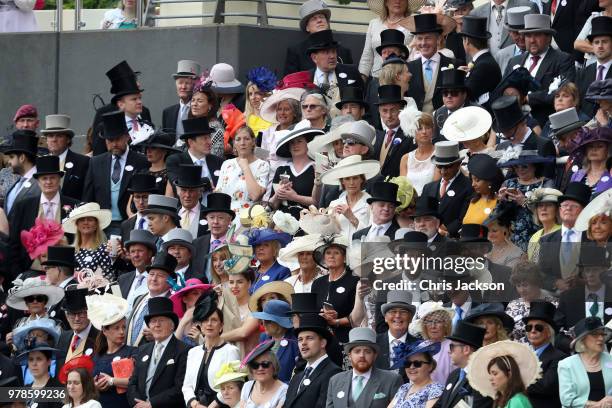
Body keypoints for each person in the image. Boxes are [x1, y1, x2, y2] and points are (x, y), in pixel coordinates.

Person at [9, 156, 80, 274]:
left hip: (64, 271)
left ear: (59, 180)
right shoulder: (23, 206)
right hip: (30, 270)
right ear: (38, 181)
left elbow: (81, 242)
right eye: (44, 178)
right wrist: (18, 273)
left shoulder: (74, 206)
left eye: (52, 178)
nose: (48, 182)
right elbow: (14, 242)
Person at [83, 110, 149, 234]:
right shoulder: (96, 162)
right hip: (101, 226)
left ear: (127, 137)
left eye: (117, 139)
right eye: (110, 140)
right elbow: (88, 197)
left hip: (130, 224)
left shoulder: (141, 161)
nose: (114, 144)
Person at [504, 14, 576, 127]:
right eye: (528, 35)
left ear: (548, 37)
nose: (532, 40)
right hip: (514, 125)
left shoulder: (562, 60)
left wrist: (527, 98)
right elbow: (503, 91)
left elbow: (563, 93)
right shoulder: (514, 61)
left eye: (537, 35)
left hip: (546, 125)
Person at [126, 297, 189, 407]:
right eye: (153, 321)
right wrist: (137, 404)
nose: (156, 325)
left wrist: (151, 404)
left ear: (172, 325)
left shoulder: (184, 350)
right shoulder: (143, 349)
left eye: (161, 320)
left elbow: (181, 387)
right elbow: (133, 383)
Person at [183, 293, 240, 408]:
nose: (209, 324)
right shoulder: (193, 352)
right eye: (205, 320)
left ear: (221, 326)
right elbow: (187, 386)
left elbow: (232, 384)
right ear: (201, 325)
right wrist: (194, 404)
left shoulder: (231, 351)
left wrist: (213, 406)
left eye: (214, 320)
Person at [325, 328, 402, 408]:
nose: (362, 355)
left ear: (375, 356)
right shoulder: (335, 381)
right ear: (349, 356)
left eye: (367, 351)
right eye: (357, 351)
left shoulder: (392, 380)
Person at [538, 182, 592, 293]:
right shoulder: (547, 240)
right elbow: (541, 274)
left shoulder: (593, 238)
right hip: (555, 297)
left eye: (574, 206)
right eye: (565, 205)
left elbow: (602, 273)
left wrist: (582, 282)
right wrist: (556, 282)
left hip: (586, 296)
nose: (568, 208)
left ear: (584, 211)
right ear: (559, 210)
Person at [284, 313, 341, 408]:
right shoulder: (297, 378)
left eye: (309, 338)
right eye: (300, 339)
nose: (303, 343)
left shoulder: (333, 373)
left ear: (323, 343)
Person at [87, 293, 134, 408]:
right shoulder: (96, 356)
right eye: (116, 328)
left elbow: (135, 381)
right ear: (104, 330)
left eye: (123, 327)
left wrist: (112, 381)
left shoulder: (132, 352)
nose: (122, 332)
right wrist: (95, 386)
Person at [284, 0, 353, 75]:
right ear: (307, 27)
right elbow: (290, 83)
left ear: (327, 23)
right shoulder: (296, 52)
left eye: (322, 17)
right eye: (314, 18)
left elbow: (352, 80)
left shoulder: (344, 52)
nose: (319, 20)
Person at [269, 122, 323, 218]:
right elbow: (272, 206)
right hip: (280, 222)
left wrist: (294, 197)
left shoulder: (316, 168)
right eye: (292, 143)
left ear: (308, 144)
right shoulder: (281, 170)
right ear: (288, 147)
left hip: (308, 221)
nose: (295, 145)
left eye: (299, 141)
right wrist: (278, 194)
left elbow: (318, 203)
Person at [405, 14, 456, 114]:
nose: (423, 43)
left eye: (428, 38)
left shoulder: (452, 65)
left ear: (438, 39)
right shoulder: (408, 68)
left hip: (443, 123)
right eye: (419, 38)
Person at [433, 320, 491, 408]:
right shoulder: (454, 374)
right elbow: (440, 404)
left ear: (466, 349)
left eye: (452, 346)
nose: (449, 351)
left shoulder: (482, 380)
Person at [421, 141, 473, 238]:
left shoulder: (468, 187)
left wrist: (447, 230)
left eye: (448, 166)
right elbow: (422, 214)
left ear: (458, 163)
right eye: (439, 166)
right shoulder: (428, 188)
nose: (443, 171)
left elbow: (465, 218)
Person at [557, 317, 612, 408]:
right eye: (595, 334)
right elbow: (566, 399)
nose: (601, 338)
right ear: (582, 340)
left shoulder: (610, 360)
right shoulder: (566, 365)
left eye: (602, 334)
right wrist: (598, 405)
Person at [467, 340, 541, 408]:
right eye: (490, 374)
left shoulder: (518, 401)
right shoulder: (501, 400)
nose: (490, 378)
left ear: (509, 374)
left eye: (495, 373)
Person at [521, 302, 567, 408]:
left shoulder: (560, 358)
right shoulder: (522, 356)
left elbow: (545, 387)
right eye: (529, 327)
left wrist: (515, 380)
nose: (533, 330)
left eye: (539, 328)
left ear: (549, 332)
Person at [215, 126, 269, 219]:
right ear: (234, 144)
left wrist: (245, 167)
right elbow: (218, 194)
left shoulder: (262, 165)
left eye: (246, 139)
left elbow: (255, 195)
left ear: (253, 142)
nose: (242, 143)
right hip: (225, 217)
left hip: (248, 219)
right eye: (238, 139)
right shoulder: (227, 164)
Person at [322, 154, 380, 239]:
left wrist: (351, 217)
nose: (351, 183)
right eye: (347, 179)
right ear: (342, 182)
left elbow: (373, 234)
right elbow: (328, 234)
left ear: (362, 179)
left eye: (355, 178)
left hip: (360, 250)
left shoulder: (371, 203)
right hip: (339, 250)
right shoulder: (334, 204)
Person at [126, 251, 177, 346]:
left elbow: (179, 336)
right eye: (152, 274)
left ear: (170, 281)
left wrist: (160, 337)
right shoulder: (139, 299)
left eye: (160, 275)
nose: (154, 279)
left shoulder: (173, 304)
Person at [5, 277, 64, 351]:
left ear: (45, 302)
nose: (35, 302)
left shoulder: (57, 324)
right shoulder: (19, 323)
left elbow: (59, 349)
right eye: (30, 299)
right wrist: (10, 345)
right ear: (26, 303)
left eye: (39, 298)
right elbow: (15, 352)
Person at [166, 117, 224, 191]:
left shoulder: (219, 162)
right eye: (204, 138)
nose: (209, 142)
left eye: (209, 137)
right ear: (191, 142)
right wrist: (206, 183)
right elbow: (178, 184)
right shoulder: (176, 161)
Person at [42, 114, 90, 201]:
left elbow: (87, 194)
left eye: (59, 136)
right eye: (50, 136)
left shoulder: (83, 162)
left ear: (68, 139)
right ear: (46, 140)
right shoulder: (41, 162)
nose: (54, 139)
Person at [505, 261, 557, 342]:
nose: (522, 290)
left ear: (536, 283)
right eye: (518, 286)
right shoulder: (513, 305)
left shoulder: (553, 304)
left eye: (525, 285)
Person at [360, 0, 412, 79]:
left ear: (407, 2)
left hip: (401, 81)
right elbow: (367, 55)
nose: (398, 1)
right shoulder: (374, 24)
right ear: (386, 2)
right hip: (376, 79)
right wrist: (362, 78)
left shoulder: (413, 25)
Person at [61, 203, 114, 280]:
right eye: (82, 219)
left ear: (96, 224)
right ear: (77, 224)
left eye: (90, 219)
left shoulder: (104, 250)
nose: (86, 222)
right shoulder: (70, 251)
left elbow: (108, 279)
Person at [410, 301, 457, 385]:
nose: (433, 326)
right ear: (424, 326)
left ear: (445, 324)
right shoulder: (420, 347)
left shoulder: (453, 346)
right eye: (429, 322)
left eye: (438, 321)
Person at [252, 300, 299, 383]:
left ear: (280, 323)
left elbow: (297, 376)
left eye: (268, 321)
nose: (263, 324)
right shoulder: (264, 337)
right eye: (262, 320)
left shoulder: (295, 341)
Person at [459, 16, 503, 105]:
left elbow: (465, 96)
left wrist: (458, 77)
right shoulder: (482, 62)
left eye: (462, 39)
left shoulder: (483, 65)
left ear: (467, 40)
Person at [389, 340, 444, 408]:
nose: (411, 367)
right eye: (407, 364)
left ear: (430, 366)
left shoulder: (436, 390)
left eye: (417, 363)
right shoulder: (404, 388)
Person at [469, 0, 538, 54]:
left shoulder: (528, 6)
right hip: (487, 68)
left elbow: (538, 37)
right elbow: (472, 47)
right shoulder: (476, 13)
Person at [575, 16, 612, 116]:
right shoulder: (582, 73)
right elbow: (578, 104)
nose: (600, 46)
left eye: (604, 41)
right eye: (596, 42)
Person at [55, 288, 100, 370]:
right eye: (72, 314)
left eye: (81, 313)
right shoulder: (63, 337)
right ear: (67, 316)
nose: (77, 319)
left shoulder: (99, 338)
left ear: (89, 313)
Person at [374, 291, 418, 370]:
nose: (397, 316)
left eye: (403, 312)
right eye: (393, 311)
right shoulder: (373, 344)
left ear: (410, 318)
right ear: (385, 318)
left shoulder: (418, 346)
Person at [240, 340, 288, 408]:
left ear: (274, 366)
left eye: (265, 364)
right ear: (251, 369)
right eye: (255, 365)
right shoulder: (247, 386)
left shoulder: (284, 390)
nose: (260, 368)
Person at [15, 340, 63, 408]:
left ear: (49, 361)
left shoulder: (57, 389)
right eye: (31, 359)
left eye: (39, 359)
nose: (34, 364)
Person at [399, 113, 439, 194]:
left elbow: (435, 187)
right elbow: (402, 189)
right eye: (420, 128)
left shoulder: (439, 154)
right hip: (409, 204)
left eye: (427, 128)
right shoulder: (405, 158)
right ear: (413, 131)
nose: (424, 132)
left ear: (432, 130)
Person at [117, 230, 156, 312]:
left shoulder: (157, 279)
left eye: (140, 251)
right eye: (132, 251)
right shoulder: (122, 279)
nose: (136, 255)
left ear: (150, 253)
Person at [3, 130, 40, 216]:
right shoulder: (18, 182)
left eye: (12, 157)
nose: (8, 161)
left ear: (22, 158)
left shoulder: (41, 183)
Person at [188, 75, 226, 158]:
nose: (194, 104)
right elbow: (177, 148)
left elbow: (215, 157)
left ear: (210, 106)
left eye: (200, 101)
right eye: (193, 100)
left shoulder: (216, 129)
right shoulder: (191, 124)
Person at [569, 127, 612, 198]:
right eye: (590, 146)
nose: (594, 150)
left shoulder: (611, 174)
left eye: (600, 146)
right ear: (586, 150)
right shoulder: (576, 175)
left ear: (608, 150)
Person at [162, 60, 201, 137]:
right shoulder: (168, 112)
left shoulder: (200, 111)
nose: (183, 87)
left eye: (187, 83)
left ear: (195, 85)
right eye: (180, 83)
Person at [463, 153, 504, 226]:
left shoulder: (499, 201)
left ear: (489, 181)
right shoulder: (473, 200)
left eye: (477, 180)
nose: (473, 184)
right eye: (472, 180)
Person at [248, 229, 292, 294]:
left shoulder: (283, 271)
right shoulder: (252, 272)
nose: (261, 248)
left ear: (275, 250)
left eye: (266, 245)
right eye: (258, 245)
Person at [525, 188, 562, 261]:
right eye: (540, 205)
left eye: (549, 205)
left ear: (557, 210)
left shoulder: (563, 233)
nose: (544, 208)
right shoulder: (534, 236)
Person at [140, 129, 179, 197]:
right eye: (147, 147)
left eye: (153, 148)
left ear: (164, 151)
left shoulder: (170, 175)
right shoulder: (141, 172)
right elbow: (131, 201)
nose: (148, 151)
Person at [120, 174, 157, 242]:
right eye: (137, 197)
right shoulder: (125, 225)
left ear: (153, 197)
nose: (141, 202)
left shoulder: (160, 223)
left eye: (145, 197)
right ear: (133, 199)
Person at [175, 165, 209, 239]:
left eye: (191, 191)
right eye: (184, 190)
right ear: (178, 192)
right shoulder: (172, 215)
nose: (187, 195)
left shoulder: (208, 216)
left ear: (200, 193)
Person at [495, 6, 531, 74]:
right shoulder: (501, 55)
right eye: (516, 33)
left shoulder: (540, 53)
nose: (522, 37)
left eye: (525, 33)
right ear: (509, 33)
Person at [244, 66, 276, 135]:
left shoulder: (275, 115)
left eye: (257, 93)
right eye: (250, 94)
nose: (253, 97)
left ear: (266, 94)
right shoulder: (244, 118)